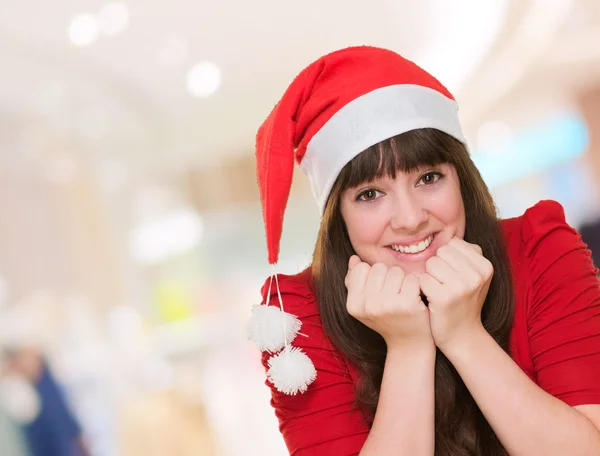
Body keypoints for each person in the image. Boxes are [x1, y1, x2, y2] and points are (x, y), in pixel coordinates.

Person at [246, 46, 600, 455]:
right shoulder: (299, 318)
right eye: (370, 194)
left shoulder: (538, 250)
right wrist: (408, 346)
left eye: (429, 177)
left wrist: (465, 335)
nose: (410, 218)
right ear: (337, 216)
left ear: (461, 178)